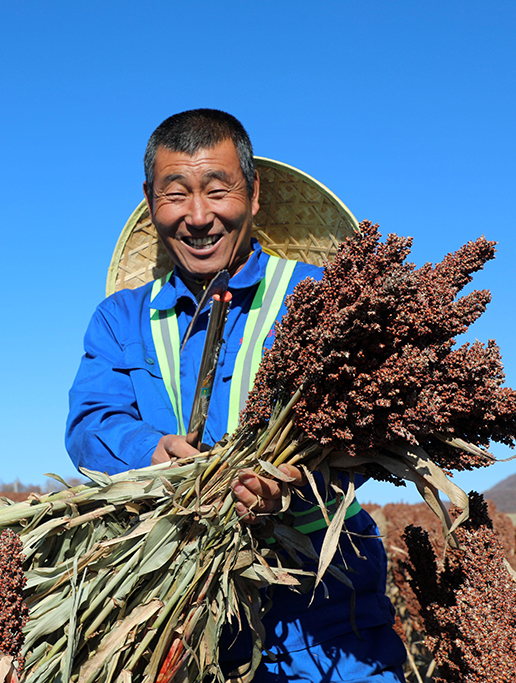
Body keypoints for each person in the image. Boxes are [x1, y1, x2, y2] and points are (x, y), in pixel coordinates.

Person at [66, 109, 407, 682]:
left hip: (323, 613)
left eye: (217, 190)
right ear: (151, 201)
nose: (199, 217)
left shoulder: (317, 299)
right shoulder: (121, 318)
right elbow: (90, 424)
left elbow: (370, 430)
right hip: (178, 612)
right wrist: (151, 451)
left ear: (253, 194)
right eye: (176, 194)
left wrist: (294, 483)